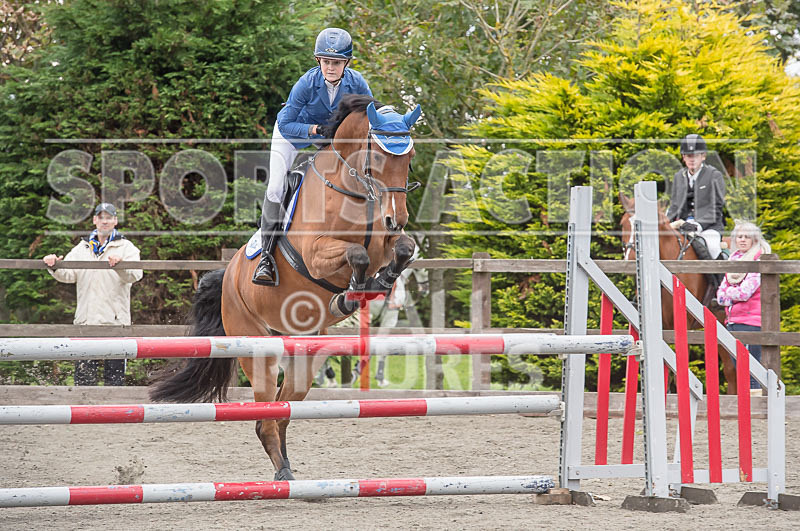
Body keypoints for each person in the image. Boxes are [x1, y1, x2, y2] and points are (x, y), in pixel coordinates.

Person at [253, 27, 373, 286]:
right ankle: (265, 258)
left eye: (336, 62)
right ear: (318, 60)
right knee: (275, 188)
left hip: (327, 138)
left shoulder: (357, 83)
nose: (330, 67)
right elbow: (285, 124)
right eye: (326, 61)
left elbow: (370, 117)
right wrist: (315, 130)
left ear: (347, 63)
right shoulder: (306, 83)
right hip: (293, 135)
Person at [42, 203, 143, 386]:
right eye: (101, 217)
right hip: (86, 322)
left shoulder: (126, 247)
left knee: (115, 379)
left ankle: (114, 406)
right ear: (95, 220)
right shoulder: (82, 248)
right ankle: (84, 406)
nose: (105, 221)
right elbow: (68, 275)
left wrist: (120, 265)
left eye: (109, 217)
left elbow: (135, 275)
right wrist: (54, 265)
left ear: (115, 221)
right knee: (84, 378)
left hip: (115, 323)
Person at [715, 221, 771, 395]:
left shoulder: (757, 261)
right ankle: (748, 403)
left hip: (751, 322)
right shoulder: (733, 261)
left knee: (751, 369)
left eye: (747, 237)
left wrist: (729, 295)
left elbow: (745, 293)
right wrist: (731, 296)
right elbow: (720, 297)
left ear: (755, 239)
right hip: (732, 321)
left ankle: (755, 404)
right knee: (740, 368)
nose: (743, 240)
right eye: (739, 236)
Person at [667, 133, 726, 261]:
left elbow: (716, 208)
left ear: (703, 156)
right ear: (684, 157)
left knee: (712, 247)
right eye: (689, 156)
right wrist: (666, 223)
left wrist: (698, 225)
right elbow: (675, 206)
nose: (692, 159)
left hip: (708, 228)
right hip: (683, 226)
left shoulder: (714, 175)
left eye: (696, 155)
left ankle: (719, 273)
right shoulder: (678, 176)